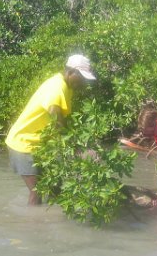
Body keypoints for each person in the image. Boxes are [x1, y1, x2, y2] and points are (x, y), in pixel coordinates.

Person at [6, 54, 96, 205]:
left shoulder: (66, 87)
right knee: (37, 191)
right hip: (23, 144)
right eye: (81, 77)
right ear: (71, 72)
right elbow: (56, 119)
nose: (83, 82)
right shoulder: (57, 87)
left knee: (55, 187)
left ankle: (54, 223)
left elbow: (64, 120)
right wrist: (74, 146)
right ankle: (32, 226)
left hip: (40, 146)